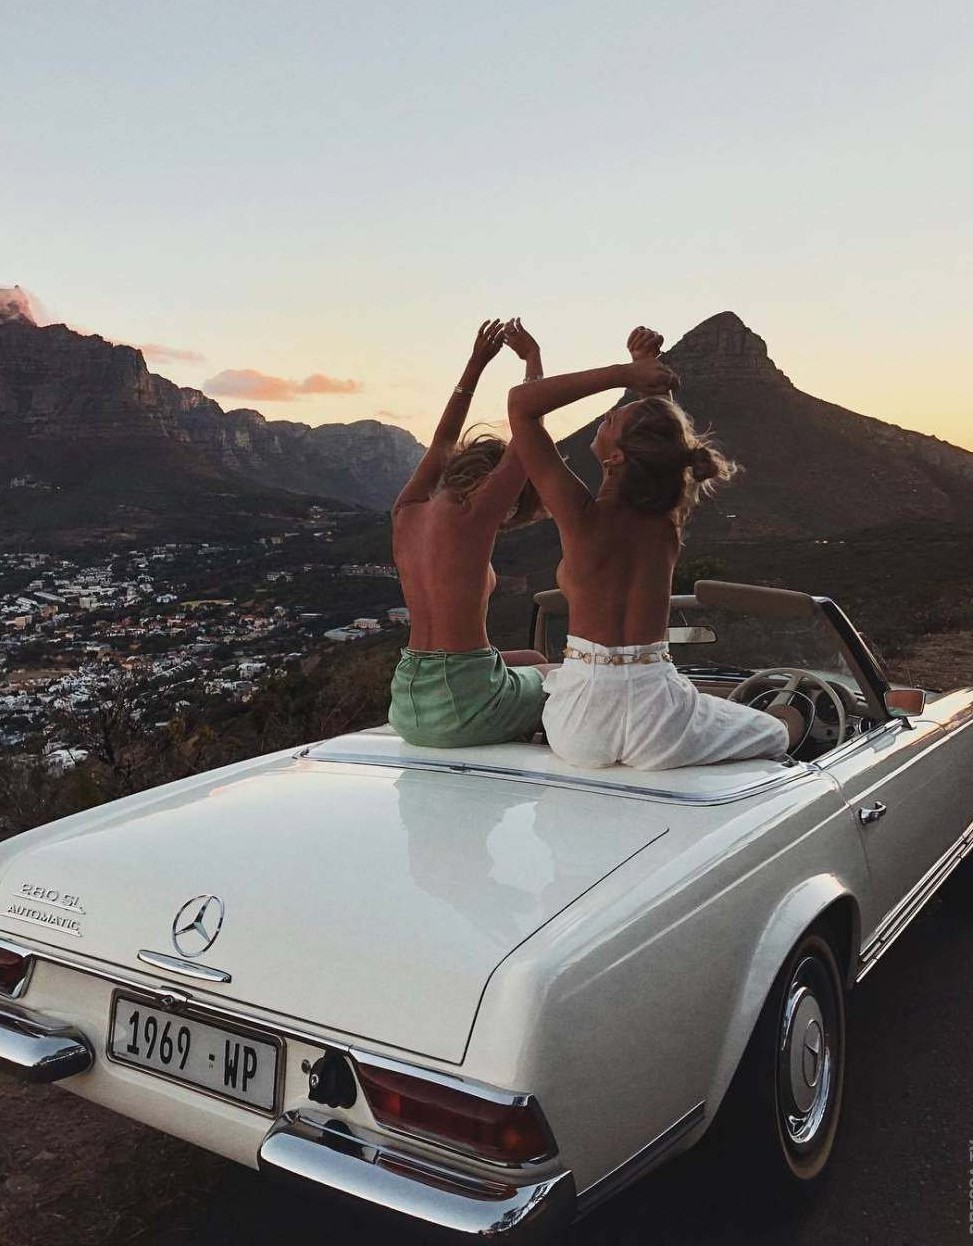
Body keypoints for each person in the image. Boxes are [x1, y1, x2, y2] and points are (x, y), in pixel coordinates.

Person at [506, 326, 798, 770]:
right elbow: (665, 448)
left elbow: (521, 408)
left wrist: (625, 373)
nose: (607, 414)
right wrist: (645, 374)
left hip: (579, 723)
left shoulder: (581, 518)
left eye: (612, 419)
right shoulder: (666, 522)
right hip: (659, 719)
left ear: (616, 457)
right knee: (775, 730)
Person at [388, 319, 551, 748]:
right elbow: (528, 433)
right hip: (463, 704)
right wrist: (532, 360)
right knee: (563, 677)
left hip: (408, 699)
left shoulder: (406, 511)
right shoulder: (473, 517)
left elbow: (443, 439)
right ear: (493, 485)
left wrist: (476, 365)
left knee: (532, 659)